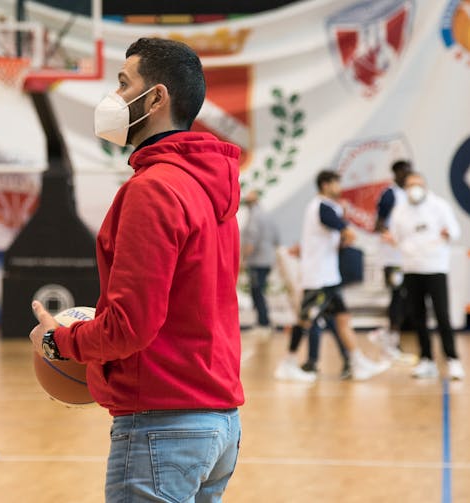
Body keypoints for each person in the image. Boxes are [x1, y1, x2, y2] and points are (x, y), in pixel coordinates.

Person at [29, 37, 243, 502]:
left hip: (164, 423)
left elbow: (130, 326)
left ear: (157, 98)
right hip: (219, 421)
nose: (114, 96)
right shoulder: (210, 187)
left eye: (124, 83)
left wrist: (57, 340)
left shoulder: (154, 189)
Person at [274, 170, 390, 381]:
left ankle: (357, 361)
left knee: (343, 319)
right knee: (305, 320)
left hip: (330, 278)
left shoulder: (324, 208)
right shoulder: (323, 207)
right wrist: (347, 229)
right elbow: (348, 234)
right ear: (326, 185)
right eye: (337, 183)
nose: (340, 187)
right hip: (318, 278)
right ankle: (288, 363)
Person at [385, 172, 464, 380]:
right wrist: (390, 240)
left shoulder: (439, 206)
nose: (414, 188)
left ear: (425, 185)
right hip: (411, 268)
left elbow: (455, 230)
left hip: (436, 267)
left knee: (442, 316)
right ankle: (426, 359)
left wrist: (449, 234)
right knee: (418, 317)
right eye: (410, 185)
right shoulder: (400, 211)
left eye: (417, 184)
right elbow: (395, 236)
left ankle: (452, 358)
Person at [370, 160, 416, 364]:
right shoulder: (390, 194)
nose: (407, 175)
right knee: (397, 296)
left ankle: (389, 336)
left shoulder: (410, 195)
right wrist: (392, 237)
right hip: (392, 257)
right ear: (395, 173)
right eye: (403, 172)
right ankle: (391, 341)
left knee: (406, 298)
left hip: (407, 256)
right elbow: (378, 224)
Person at [241, 189, 280, 338]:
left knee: (257, 292)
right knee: (259, 291)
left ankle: (263, 324)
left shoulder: (254, 217)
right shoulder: (267, 215)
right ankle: (263, 322)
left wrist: (243, 260)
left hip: (257, 261)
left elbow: (251, 241)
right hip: (267, 260)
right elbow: (277, 239)